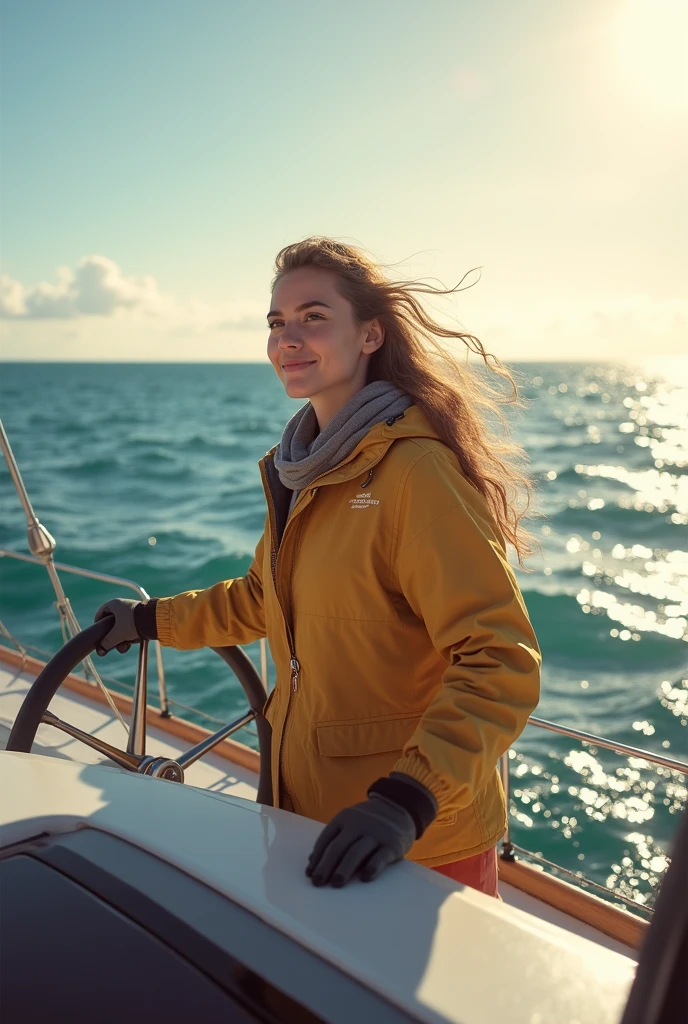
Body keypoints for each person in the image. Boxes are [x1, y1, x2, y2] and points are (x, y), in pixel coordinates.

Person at [94, 237, 541, 898]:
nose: (288, 338)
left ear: (369, 335)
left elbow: (500, 659)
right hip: (308, 818)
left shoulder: (415, 471)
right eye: (277, 322)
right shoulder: (306, 467)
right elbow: (258, 597)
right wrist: (150, 620)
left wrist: (406, 799)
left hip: (416, 839)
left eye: (312, 317)